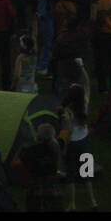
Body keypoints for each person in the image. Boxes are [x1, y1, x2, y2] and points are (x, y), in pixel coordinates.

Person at [59, 65, 97, 209]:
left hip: (72, 144)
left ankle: (72, 203)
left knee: (70, 174)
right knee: (86, 172)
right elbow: (87, 84)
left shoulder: (67, 111)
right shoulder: (85, 103)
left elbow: (66, 129)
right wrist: (82, 68)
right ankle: (93, 200)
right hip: (84, 141)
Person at [19, 123, 64, 211]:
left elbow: (22, 160)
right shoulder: (56, 147)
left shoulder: (32, 150)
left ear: (39, 135)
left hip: (36, 184)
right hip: (51, 184)